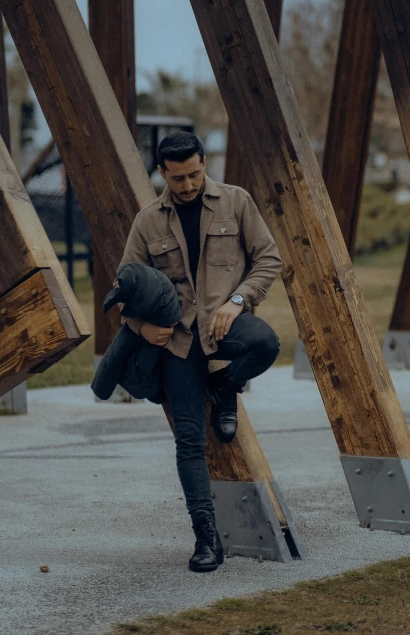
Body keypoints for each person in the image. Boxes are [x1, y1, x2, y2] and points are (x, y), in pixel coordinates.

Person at [120, 131, 282, 572]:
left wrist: (237, 301)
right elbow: (124, 289)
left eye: (194, 174)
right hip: (176, 341)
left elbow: (269, 258)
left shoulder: (237, 201)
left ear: (204, 162)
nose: (188, 185)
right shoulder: (148, 221)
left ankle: (226, 384)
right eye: (177, 179)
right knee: (190, 442)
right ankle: (206, 539)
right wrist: (143, 325)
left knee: (266, 343)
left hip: (223, 322)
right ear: (162, 173)